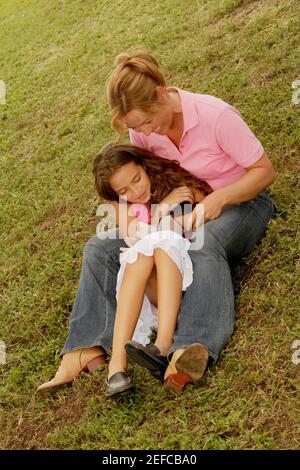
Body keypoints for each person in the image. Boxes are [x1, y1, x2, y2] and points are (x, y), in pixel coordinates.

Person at [37, 49, 276, 395]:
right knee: (100, 247)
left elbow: (264, 172)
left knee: (203, 243)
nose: (146, 132)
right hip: (179, 212)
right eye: (137, 127)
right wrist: (137, 221)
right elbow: (132, 184)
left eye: (147, 122)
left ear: (162, 92)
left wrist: (218, 199)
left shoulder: (215, 116)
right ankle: (86, 346)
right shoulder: (143, 133)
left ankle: (189, 348)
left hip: (242, 201)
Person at [92, 142, 212, 397]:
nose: (135, 191)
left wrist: (169, 214)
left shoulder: (178, 186)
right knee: (141, 252)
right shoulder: (125, 205)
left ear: (145, 166)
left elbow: (205, 215)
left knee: (161, 242)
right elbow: (134, 234)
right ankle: (117, 366)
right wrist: (163, 210)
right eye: (124, 191)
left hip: (187, 279)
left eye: (137, 179)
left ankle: (163, 344)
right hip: (155, 286)